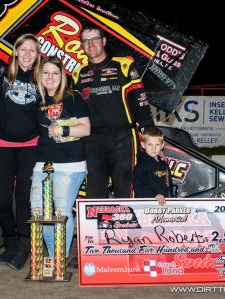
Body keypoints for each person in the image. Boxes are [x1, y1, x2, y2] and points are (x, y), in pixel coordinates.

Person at [72, 24, 154, 199]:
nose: (91, 44)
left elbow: (142, 103)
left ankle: (125, 225)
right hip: (92, 139)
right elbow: (74, 111)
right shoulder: (77, 74)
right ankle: (95, 226)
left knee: (125, 188)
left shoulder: (124, 65)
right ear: (82, 45)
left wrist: (150, 134)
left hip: (124, 137)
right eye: (85, 41)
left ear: (103, 41)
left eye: (95, 39)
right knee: (94, 190)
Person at [30, 56, 90, 258]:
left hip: (71, 164)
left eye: (55, 72)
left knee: (61, 211)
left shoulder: (73, 97)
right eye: (45, 72)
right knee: (39, 211)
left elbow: (85, 129)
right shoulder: (38, 101)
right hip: (43, 163)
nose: (50, 77)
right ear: (39, 75)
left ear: (62, 75)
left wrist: (60, 130)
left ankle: (59, 259)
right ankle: (52, 257)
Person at [0, 33, 41, 270]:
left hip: (30, 147)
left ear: (37, 54)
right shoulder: (1, 72)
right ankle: (10, 243)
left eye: (32, 50)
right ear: (16, 51)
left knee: (23, 198)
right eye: (24, 49)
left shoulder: (41, 77)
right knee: (2, 199)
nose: (28, 54)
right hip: (1, 145)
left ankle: (23, 246)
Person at [133, 127, 174, 204]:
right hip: (146, 206)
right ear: (143, 145)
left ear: (162, 145)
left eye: (157, 145)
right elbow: (138, 185)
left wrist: (171, 198)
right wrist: (154, 195)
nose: (153, 148)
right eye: (150, 144)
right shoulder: (141, 165)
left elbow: (169, 184)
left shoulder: (164, 164)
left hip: (164, 204)